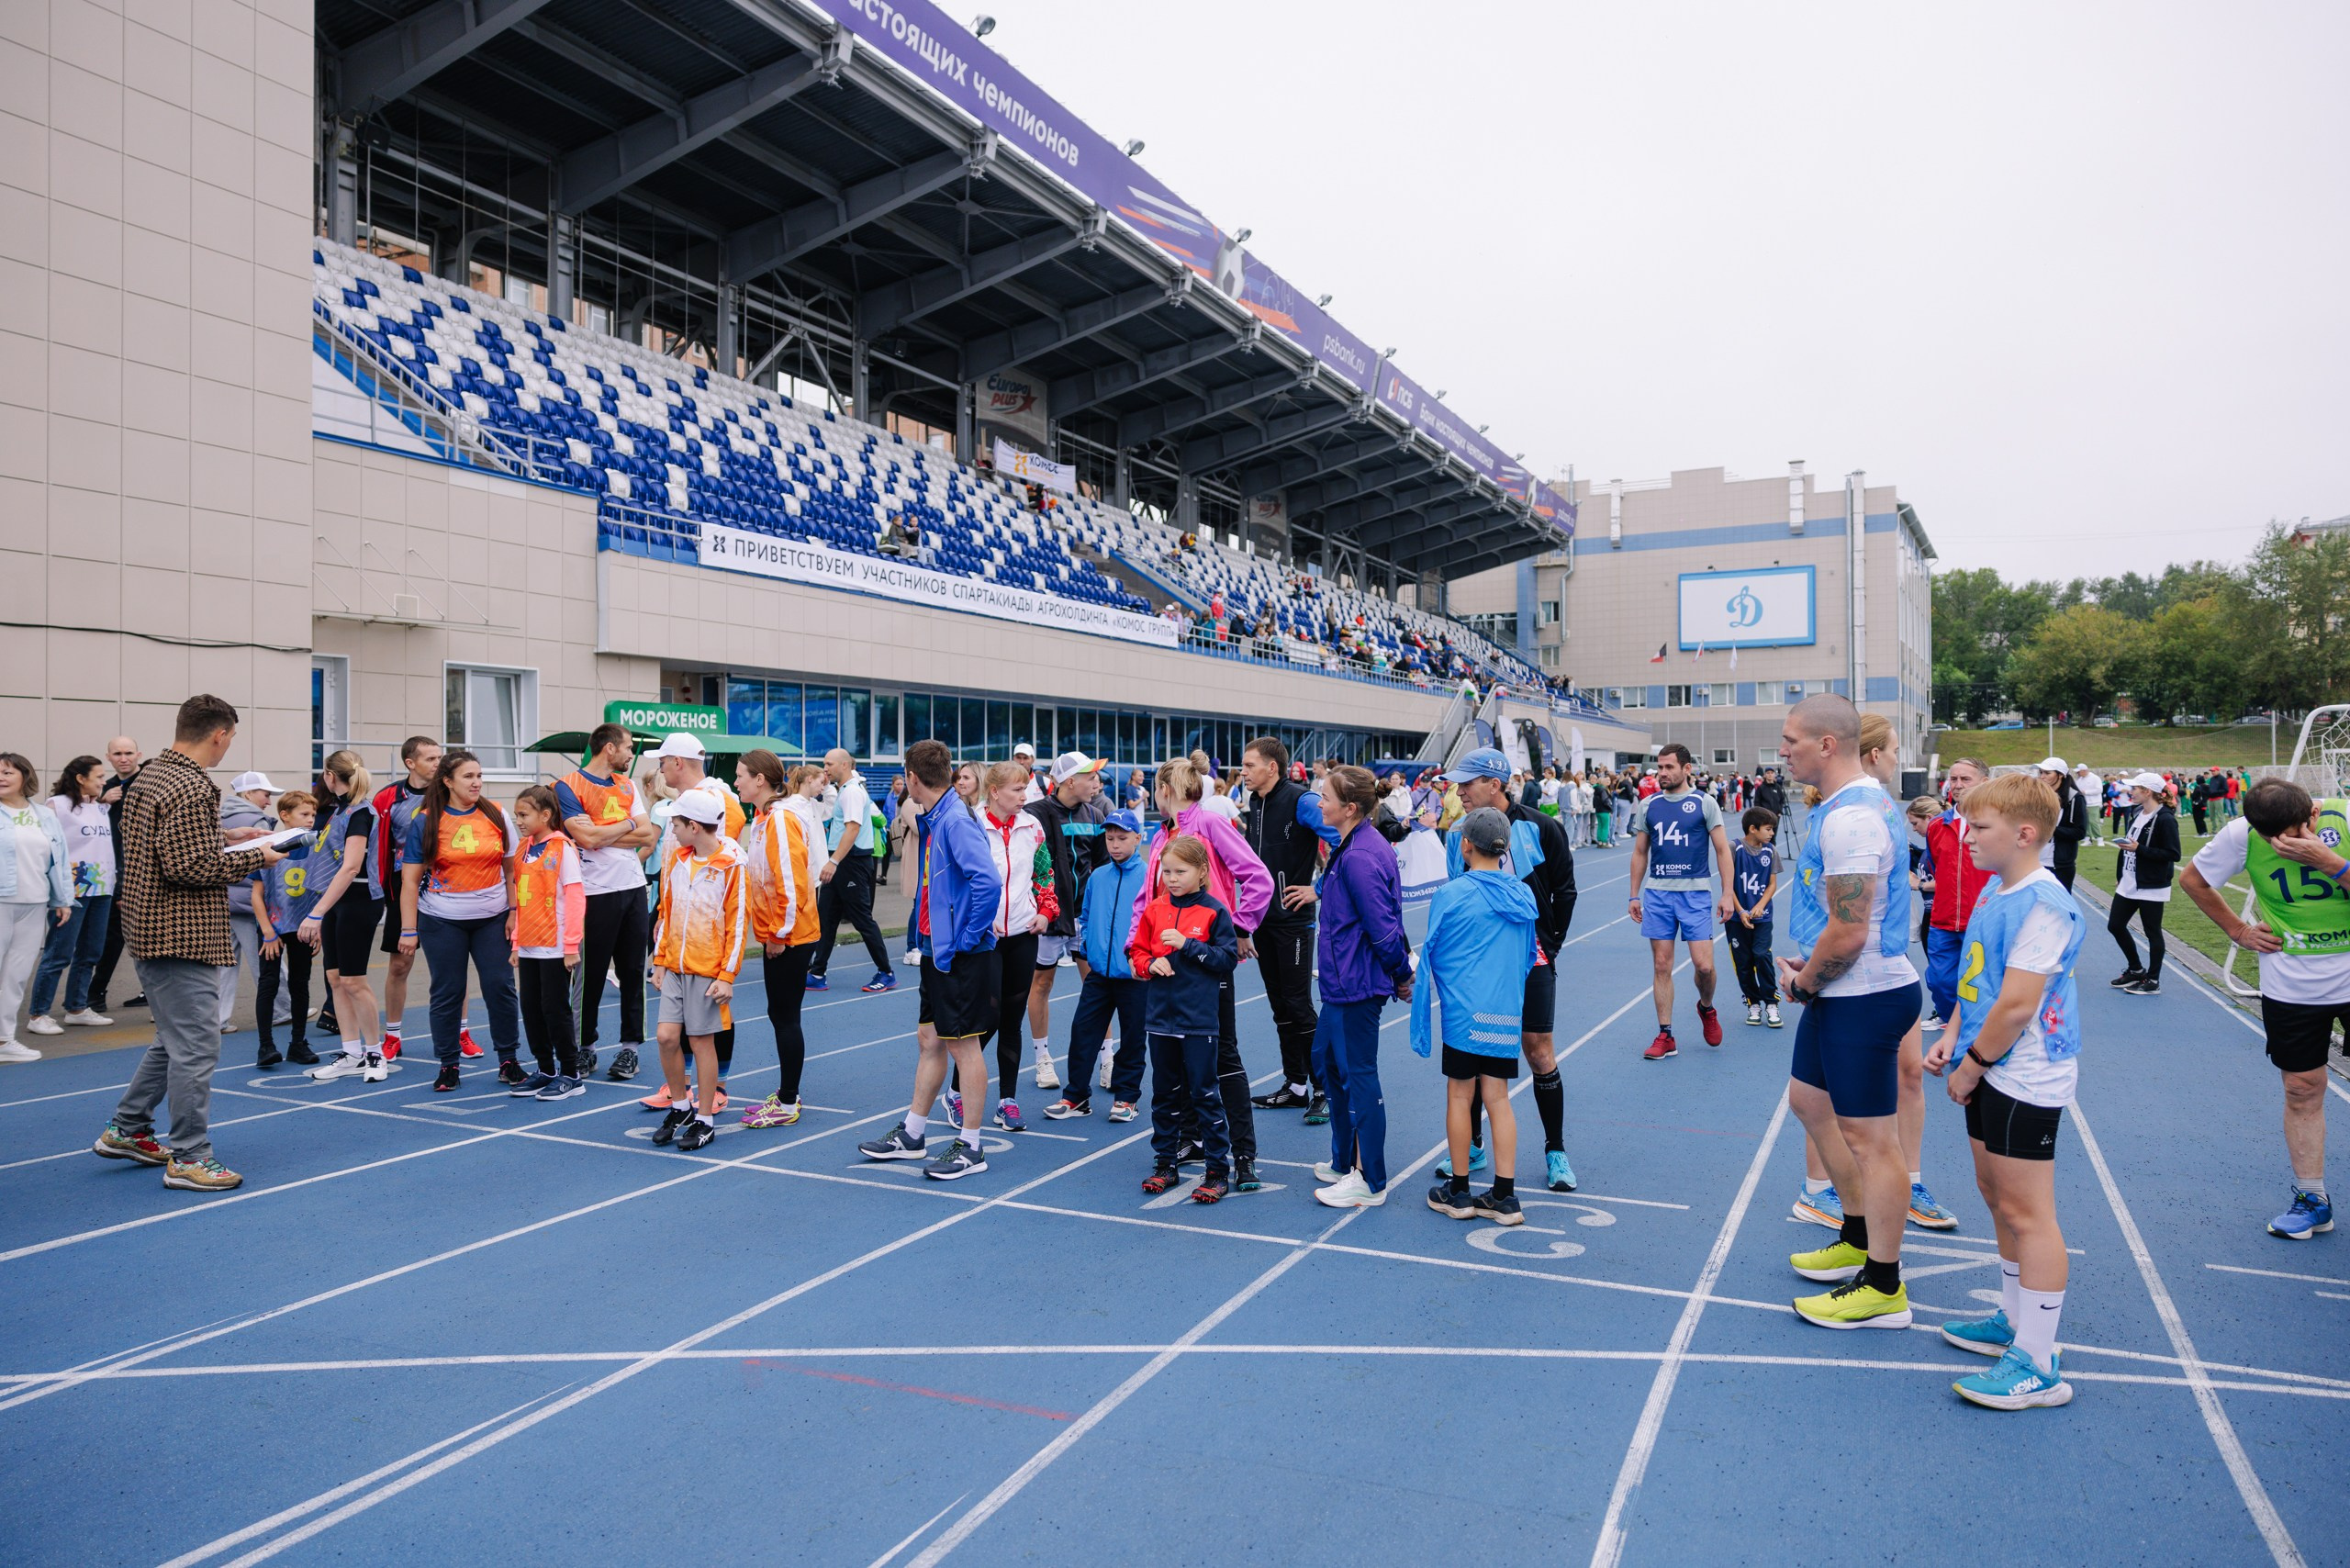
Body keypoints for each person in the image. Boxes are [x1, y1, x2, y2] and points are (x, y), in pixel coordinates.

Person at [1924, 772, 2087, 1410]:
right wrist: (1956, 1035)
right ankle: (2015, 1320)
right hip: (1991, 1058)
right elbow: (1981, 980)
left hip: (2026, 1069)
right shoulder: (1998, 887)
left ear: (2024, 834)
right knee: (1996, 1196)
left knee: (2029, 1213)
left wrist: (1973, 1064)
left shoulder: (2045, 903)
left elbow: (2019, 1003)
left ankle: (2039, 1363)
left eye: (1980, 827)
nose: (1966, 837)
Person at [90, 695, 286, 1187]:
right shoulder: (192, 785)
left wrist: (226, 835)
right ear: (219, 734)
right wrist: (257, 856)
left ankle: (129, 1128)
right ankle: (189, 1155)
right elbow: (189, 866)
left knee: (173, 1039)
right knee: (197, 1047)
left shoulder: (152, 774)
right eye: (230, 739)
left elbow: (170, 844)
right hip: (182, 933)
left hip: (149, 926)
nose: (228, 747)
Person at [1774, 694, 1925, 1328]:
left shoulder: (1852, 821)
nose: (1782, 752)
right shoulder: (1843, 809)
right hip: (1842, 989)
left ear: (1826, 745)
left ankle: (1884, 1286)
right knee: (1809, 1103)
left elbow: (1850, 930)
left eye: (1790, 741)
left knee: (1871, 1140)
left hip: (1862, 992)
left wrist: (1806, 982)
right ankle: (1859, 1234)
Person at [2177, 778, 2348, 1240]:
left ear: (2312, 815)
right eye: (2269, 838)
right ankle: (2312, 1198)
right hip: (2292, 985)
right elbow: (2192, 879)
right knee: (2301, 1088)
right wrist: (2238, 930)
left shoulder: (2345, 819)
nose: (2281, 845)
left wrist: (2332, 864)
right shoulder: (2241, 833)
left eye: (2291, 833)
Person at [1435, 746, 1580, 1191]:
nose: (1459, 790)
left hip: (1532, 956)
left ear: (1494, 784)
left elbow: (1565, 891)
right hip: (1479, 964)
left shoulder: (1542, 827)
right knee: (1478, 1051)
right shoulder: (1457, 834)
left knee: (1538, 1050)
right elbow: (1456, 894)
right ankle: (1474, 1145)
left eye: (1468, 782)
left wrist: (1549, 946)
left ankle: (1555, 1150)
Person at [857, 738, 1001, 1181]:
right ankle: (914, 1133)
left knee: (964, 1046)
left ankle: (972, 1146)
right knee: (929, 1038)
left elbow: (988, 883)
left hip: (959, 954)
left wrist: (965, 937)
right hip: (938, 952)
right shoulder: (939, 816)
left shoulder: (955, 819)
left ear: (914, 779)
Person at [1132, 757, 1272, 1191]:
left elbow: (1257, 876)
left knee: (1222, 1057)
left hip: (1207, 958)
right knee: (1175, 1060)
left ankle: (1243, 1155)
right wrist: (1137, 949)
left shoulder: (1209, 823)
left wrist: (1238, 926)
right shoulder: (1162, 835)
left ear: (1165, 790)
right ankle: (1189, 1142)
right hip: (1167, 964)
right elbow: (1147, 898)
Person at [1415, 807, 1535, 1226]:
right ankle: (1505, 1196)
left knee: (1461, 1096)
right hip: (1504, 1011)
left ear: (1465, 845)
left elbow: (1433, 952)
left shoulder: (1452, 893)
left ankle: (1460, 1190)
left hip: (1464, 1012)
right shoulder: (1523, 894)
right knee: (1498, 1098)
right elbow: (1525, 957)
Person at [1310, 765, 1413, 1210]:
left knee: (1358, 1078)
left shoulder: (1360, 855)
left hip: (1355, 984)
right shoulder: (1352, 844)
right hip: (1340, 981)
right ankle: (1341, 1161)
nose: (1319, 803)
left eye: (1326, 797)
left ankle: (1370, 1179)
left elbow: (1384, 925)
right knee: (1330, 1067)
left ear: (1350, 808)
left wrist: (1400, 974)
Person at [397, 748, 522, 1092]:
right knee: (447, 991)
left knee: (500, 987)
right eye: (468, 777)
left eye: (479, 776)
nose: (477, 782)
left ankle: (508, 1060)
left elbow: (511, 870)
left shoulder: (497, 814)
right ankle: (448, 1064)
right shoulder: (426, 820)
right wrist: (409, 929)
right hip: (441, 919)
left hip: (492, 918)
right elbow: (409, 881)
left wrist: (513, 912)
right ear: (448, 781)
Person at [1133, 835, 1242, 1204]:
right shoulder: (1154, 909)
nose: (1172, 878)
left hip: (1198, 1022)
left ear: (1202, 872)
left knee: (1204, 1094)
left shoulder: (1214, 912)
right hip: (1161, 1019)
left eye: (1181, 871)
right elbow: (1138, 952)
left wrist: (1187, 945)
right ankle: (1165, 1163)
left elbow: (1227, 959)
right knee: (1164, 1095)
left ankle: (1216, 1171)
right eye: (1167, 871)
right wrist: (1149, 963)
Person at [640, 734, 744, 1111]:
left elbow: (724, 847)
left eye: (664, 761)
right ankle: (680, 1084)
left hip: (705, 923)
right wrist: (666, 914)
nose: (661, 768)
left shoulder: (716, 797)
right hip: (675, 911)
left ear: (678, 763)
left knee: (714, 1012)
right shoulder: (678, 803)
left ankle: (718, 1087)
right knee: (679, 1015)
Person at [554, 722, 657, 1083]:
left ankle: (630, 1048)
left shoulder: (628, 786)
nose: (632, 755)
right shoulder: (567, 785)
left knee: (632, 973)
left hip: (633, 888)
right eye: (629, 747)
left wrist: (606, 829)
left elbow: (647, 835)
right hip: (592, 892)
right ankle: (586, 1048)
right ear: (609, 749)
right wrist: (621, 827)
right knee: (589, 975)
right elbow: (583, 837)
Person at [1242, 735, 1337, 1124]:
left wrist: (1318, 888)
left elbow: (1347, 842)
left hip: (1294, 922)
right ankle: (1295, 1085)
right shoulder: (1255, 802)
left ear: (1272, 767)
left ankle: (1323, 1090)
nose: (1242, 771)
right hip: (1263, 921)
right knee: (1280, 1006)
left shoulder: (1302, 800)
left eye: (1249, 765)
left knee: (1298, 1006)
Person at [1627, 743, 1734, 1059]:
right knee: (1662, 965)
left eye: (1668, 767)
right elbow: (1639, 852)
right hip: (1658, 894)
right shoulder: (1649, 806)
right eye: (1659, 768)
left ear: (1687, 769)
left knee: (1704, 966)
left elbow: (1723, 850)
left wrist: (1727, 893)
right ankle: (1666, 1034)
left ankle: (1706, 1007)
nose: (1662, 773)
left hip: (1696, 893)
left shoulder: (1705, 803)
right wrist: (1634, 893)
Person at [966, 760, 1056, 1131]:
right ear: (995, 791)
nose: (1024, 796)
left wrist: (1047, 912)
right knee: (986, 1016)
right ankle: (956, 1091)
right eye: (1017, 790)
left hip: (1022, 933)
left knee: (1012, 1020)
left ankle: (1007, 1100)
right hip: (982, 938)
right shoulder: (970, 825)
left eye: (1026, 789)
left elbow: (1044, 873)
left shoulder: (1032, 826)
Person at [736, 753, 824, 1128]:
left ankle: (788, 1101)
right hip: (781, 933)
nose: (735, 781)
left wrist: (779, 936)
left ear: (759, 780)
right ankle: (788, 1093)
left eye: (740, 775)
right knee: (779, 1014)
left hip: (790, 935)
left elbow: (792, 882)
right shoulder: (764, 818)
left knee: (785, 1017)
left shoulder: (781, 820)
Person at [1046, 808, 1149, 1122]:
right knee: (1083, 1032)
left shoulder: (1149, 876)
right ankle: (1076, 1096)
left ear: (1138, 838)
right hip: (1099, 973)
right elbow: (1087, 915)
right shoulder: (1098, 876)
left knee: (1133, 1039)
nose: (1115, 844)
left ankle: (1127, 1098)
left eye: (1122, 838)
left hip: (1134, 975)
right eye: (1110, 838)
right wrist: (1089, 942)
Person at [297, 751, 386, 1082]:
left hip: (358, 900)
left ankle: (375, 1054)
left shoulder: (361, 812)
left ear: (330, 777)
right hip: (336, 901)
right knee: (335, 979)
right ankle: (351, 1052)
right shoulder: (339, 810)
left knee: (353, 980)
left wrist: (315, 914)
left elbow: (350, 867)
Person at [1024, 750, 1108, 1094]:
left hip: (1085, 918)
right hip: (1050, 916)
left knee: (1099, 988)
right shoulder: (1035, 814)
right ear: (1070, 781)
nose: (1096, 783)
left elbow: (1102, 868)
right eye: (1090, 777)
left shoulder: (1096, 813)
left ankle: (1107, 1060)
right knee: (1041, 985)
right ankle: (1043, 1058)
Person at [504, 785, 587, 1097]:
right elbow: (523, 900)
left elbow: (576, 897)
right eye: (517, 816)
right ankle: (546, 1068)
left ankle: (570, 1072)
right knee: (532, 1009)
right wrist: (516, 944)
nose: (519, 821)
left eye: (524, 815)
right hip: (529, 946)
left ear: (546, 815)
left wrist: (570, 946)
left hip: (555, 946)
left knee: (555, 1009)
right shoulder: (524, 848)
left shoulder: (562, 848)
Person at [27, 755, 116, 1035]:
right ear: (81, 778)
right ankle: (38, 1014)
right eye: (99, 777)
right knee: (59, 952)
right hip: (72, 890)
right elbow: (45, 847)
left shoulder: (101, 808)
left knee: (91, 951)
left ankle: (77, 1008)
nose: (103, 781)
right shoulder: (57, 806)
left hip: (102, 888)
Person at [371, 736, 448, 1061]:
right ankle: (392, 1035)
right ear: (410, 763)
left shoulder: (449, 793)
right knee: (400, 964)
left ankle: (461, 1032)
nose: (438, 764)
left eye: (440, 758)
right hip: (402, 886)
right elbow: (374, 845)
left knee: (448, 967)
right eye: (431, 758)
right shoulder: (388, 797)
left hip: (445, 887)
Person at [0, 754, 74, 1064]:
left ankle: (4, 1039)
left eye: (7, 772)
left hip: (35, 904)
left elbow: (59, 857)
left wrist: (62, 899)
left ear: (24, 776)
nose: (1, 777)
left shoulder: (43, 814)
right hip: (2, 901)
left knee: (15, 977)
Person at [806, 747, 896, 994]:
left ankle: (886, 972)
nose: (825, 768)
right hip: (841, 863)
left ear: (844, 765)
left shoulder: (852, 793)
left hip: (852, 863)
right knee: (826, 918)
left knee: (862, 920)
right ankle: (817, 972)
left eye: (829, 764)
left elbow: (852, 830)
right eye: (824, 763)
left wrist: (833, 862)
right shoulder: (844, 790)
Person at [251, 790, 323, 1070]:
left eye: (313, 815)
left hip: (303, 926)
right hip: (273, 927)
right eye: (304, 814)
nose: (310, 820)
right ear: (285, 816)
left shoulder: (316, 847)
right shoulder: (267, 846)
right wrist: (268, 931)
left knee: (300, 982)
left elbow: (320, 891)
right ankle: (266, 1045)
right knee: (268, 983)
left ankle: (298, 1043)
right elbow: (257, 895)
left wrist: (319, 927)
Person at [1922, 758, 1993, 1034]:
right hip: (1943, 918)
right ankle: (1954, 1023)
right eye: (1954, 779)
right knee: (1939, 981)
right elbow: (1936, 866)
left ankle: (1978, 1032)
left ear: (1984, 783)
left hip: (1982, 920)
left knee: (1983, 983)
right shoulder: (1937, 825)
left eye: (1966, 779)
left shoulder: (1995, 823)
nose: (1958, 785)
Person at [218, 769, 286, 1036]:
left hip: (225, 899)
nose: (269, 801)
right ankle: (283, 1009)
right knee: (266, 956)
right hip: (247, 901)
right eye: (266, 794)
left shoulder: (222, 819)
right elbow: (264, 867)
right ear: (248, 794)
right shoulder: (257, 821)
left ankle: (219, 1018)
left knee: (225, 964)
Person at [84, 734, 143, 1015]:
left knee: (141, 936)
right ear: (109, 757)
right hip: (109, 873)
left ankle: (98, 992)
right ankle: (95, 993)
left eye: (128, 752)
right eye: (117, 753)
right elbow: (82, 827)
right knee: (110, 937)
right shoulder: (103, 790)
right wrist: (102, 804)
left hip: (141, 872)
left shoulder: (146, 785)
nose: (124, 758)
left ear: (138, 755)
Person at [2106, 772, 2178, 995]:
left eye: (2135, 788)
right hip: (2129, 881)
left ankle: (2153, 980)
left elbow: (2173, 853)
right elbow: (2130, 845)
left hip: (2152, 884)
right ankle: (2136, 969)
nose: (2131, 791)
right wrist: (2121, 871)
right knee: (2115, 925)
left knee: (2152, 932)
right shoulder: (2137, 812)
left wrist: (2140, 849)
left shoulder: (2165, 818)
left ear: (2147, 792)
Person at [1728, 806, 1782, 1029]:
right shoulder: (1734, 848)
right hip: (1736, 918)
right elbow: (1727, 885)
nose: (1771, 834)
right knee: (1743, 962)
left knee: (1761, 954)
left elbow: (1772, 884)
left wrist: (1760, 905)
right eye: (1769, 829)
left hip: (1762, 916)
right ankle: (1753, 1003)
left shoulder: (1771, 851)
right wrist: (1740, 911)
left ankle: (1771, 1002)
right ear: (1753, 828)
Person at [2034, 756, 2090, 891]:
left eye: (2047, 773)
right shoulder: (2039, 795)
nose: (2042, 776)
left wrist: (2049, 829)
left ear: (2060, 775)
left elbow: (2080, 832)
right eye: (2041, 772)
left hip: (2059, 864)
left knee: (2059, 907)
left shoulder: (2075, 798)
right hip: (2034, 861)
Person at [878, 774, 907, 885]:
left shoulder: (905, 797)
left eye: (901, 784)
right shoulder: (889, 796)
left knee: (903, 854)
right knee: (887, 852)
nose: (900, 786)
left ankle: (907, 878)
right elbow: (885, 811)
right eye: (897, 784)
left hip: (901, 830)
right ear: (893, 785)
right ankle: (883, 876)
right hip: (890, 829)